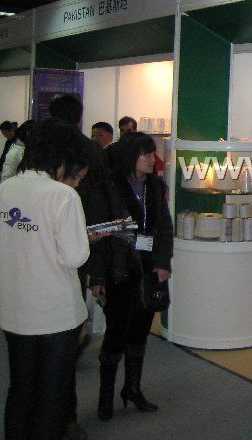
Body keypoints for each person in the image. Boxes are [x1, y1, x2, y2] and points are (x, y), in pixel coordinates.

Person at [0, 119, 92, 440]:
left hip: (15, 310)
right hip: (55, 315)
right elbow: (75, 257)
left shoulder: (5, 189)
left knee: (20, 390)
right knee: (52, 396)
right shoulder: (63, 196)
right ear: (61, 158)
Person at [49, 94, 125, 439]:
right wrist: (98, 267)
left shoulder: (41, 150)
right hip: (77, 249)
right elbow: (99, 209)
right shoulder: (87, 151)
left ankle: (50, 416)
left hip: (43, 254)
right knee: (66, 334)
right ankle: (66, 417)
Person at [92, 132, 173, 421]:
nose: (153, 159)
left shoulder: (155, 186)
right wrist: (97, 277)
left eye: (153, 153)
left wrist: (162, 262)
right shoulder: (109, 188)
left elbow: (164, 227)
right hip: (118, 268)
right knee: (115, 333)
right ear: (130, 157)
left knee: (140, 330)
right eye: (147, 154)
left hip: (148, 269)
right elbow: (98, 235)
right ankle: (105, 396)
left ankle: (132, 388)